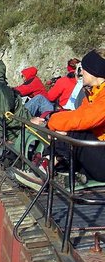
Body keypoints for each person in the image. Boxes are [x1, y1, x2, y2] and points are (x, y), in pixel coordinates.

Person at [31, 49, 105, 181]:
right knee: (71, 131)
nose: (80, 72)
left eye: (84, 69)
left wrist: (51, 122)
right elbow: (79, 116)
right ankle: (49, 164)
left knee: (76, 133)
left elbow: (84, 119)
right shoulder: (94, 94)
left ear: (95, 72)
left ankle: (44, 168)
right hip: (98, 153)